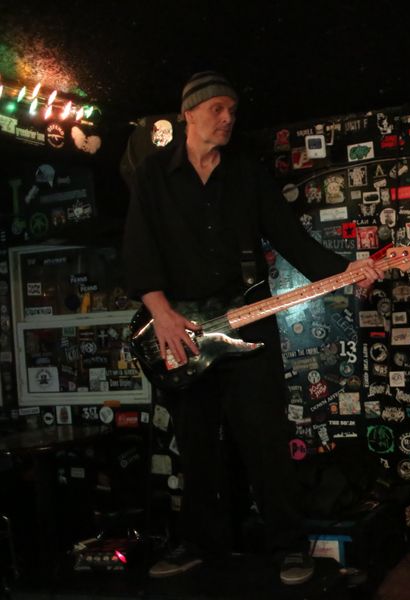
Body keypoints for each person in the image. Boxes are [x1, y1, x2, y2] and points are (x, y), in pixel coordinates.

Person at [123, 71, 381, 586]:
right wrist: (163, 314)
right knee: (196, 444)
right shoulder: (152, 175)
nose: (227, 118)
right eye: (216, 109)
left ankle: (289, 547)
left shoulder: (246, 173)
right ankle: (200, 544)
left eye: (233, 110)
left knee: (266, 440)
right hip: (183, 332)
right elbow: (137, 250)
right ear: (188, 113)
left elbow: (292, 239)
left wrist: (347, 270)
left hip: (251, 321)